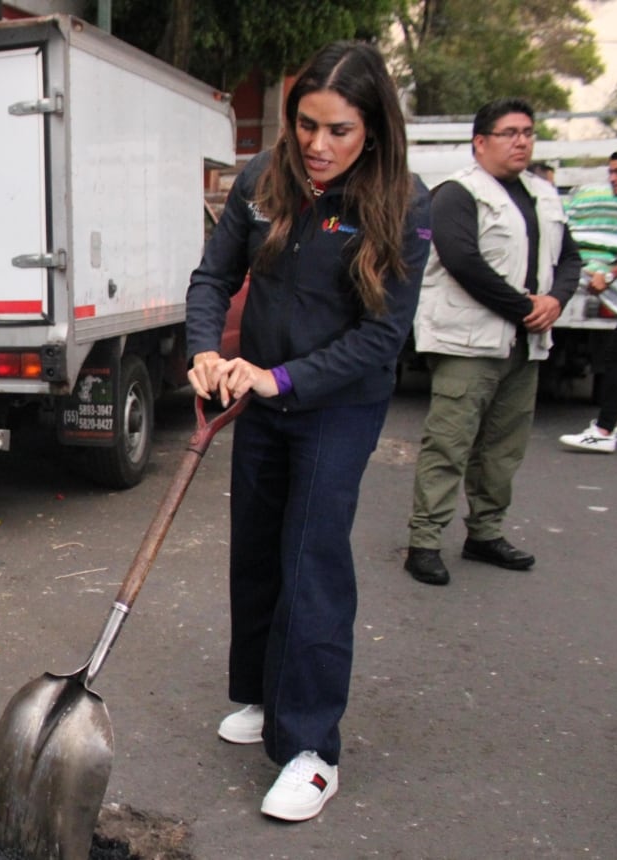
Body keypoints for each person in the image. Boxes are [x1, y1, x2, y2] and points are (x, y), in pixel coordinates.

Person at [186, 42, 431, 822]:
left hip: (335, 407)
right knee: (256, 552)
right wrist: (203, 351)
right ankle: (264, 697)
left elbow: (378, 340)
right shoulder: (263, 179)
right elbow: (212, 277)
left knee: (310, 564)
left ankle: (313, 750)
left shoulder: (405, 203)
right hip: (260, 400)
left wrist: (278, 377)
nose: (318, 147)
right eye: (306, 126)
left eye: (340, 131)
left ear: (375, 131)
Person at [404, 98, 582, 585]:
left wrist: (557, 301)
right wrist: (527, 307)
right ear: (480, 142)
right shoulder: (458, 194)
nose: (521, 140)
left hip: (524, 345)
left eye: (527, 131)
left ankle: (485, 533)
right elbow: (463, 262)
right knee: (449, 444)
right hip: (468, 342)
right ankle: (424, 541)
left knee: (504, 446)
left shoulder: (544, 195)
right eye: (509, 132)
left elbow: (570, 259)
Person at [559, 148, 617, 453]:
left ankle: (604, 430)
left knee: (616, 355)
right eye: (610, 172)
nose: (613, 179)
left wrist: (609, 275)